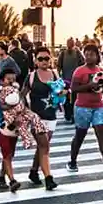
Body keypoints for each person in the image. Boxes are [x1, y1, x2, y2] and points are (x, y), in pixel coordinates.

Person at [67, 44, 103, 176]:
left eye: (92, 54)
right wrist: (89, 85)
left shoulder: (100, 70)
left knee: (102, 134)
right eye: (87, 54)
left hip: (98, 107)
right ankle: (72, 161)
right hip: (82, 107)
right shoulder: (79, 71)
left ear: (97, 56)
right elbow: (73, 89)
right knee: (80, 135)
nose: (89, 56)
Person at [25, 46, 61, 190]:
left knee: (42, 147)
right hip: (36, 117)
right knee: (45, 146)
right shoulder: (32, 76)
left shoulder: (55, 74)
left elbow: (61, 91)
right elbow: (22, 94)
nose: (44, 61)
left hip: (51, 116)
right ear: (35, 61)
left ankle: (34, 171)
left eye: (46, 58)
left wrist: (63, 93)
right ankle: (48, 178)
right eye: (40, 59)